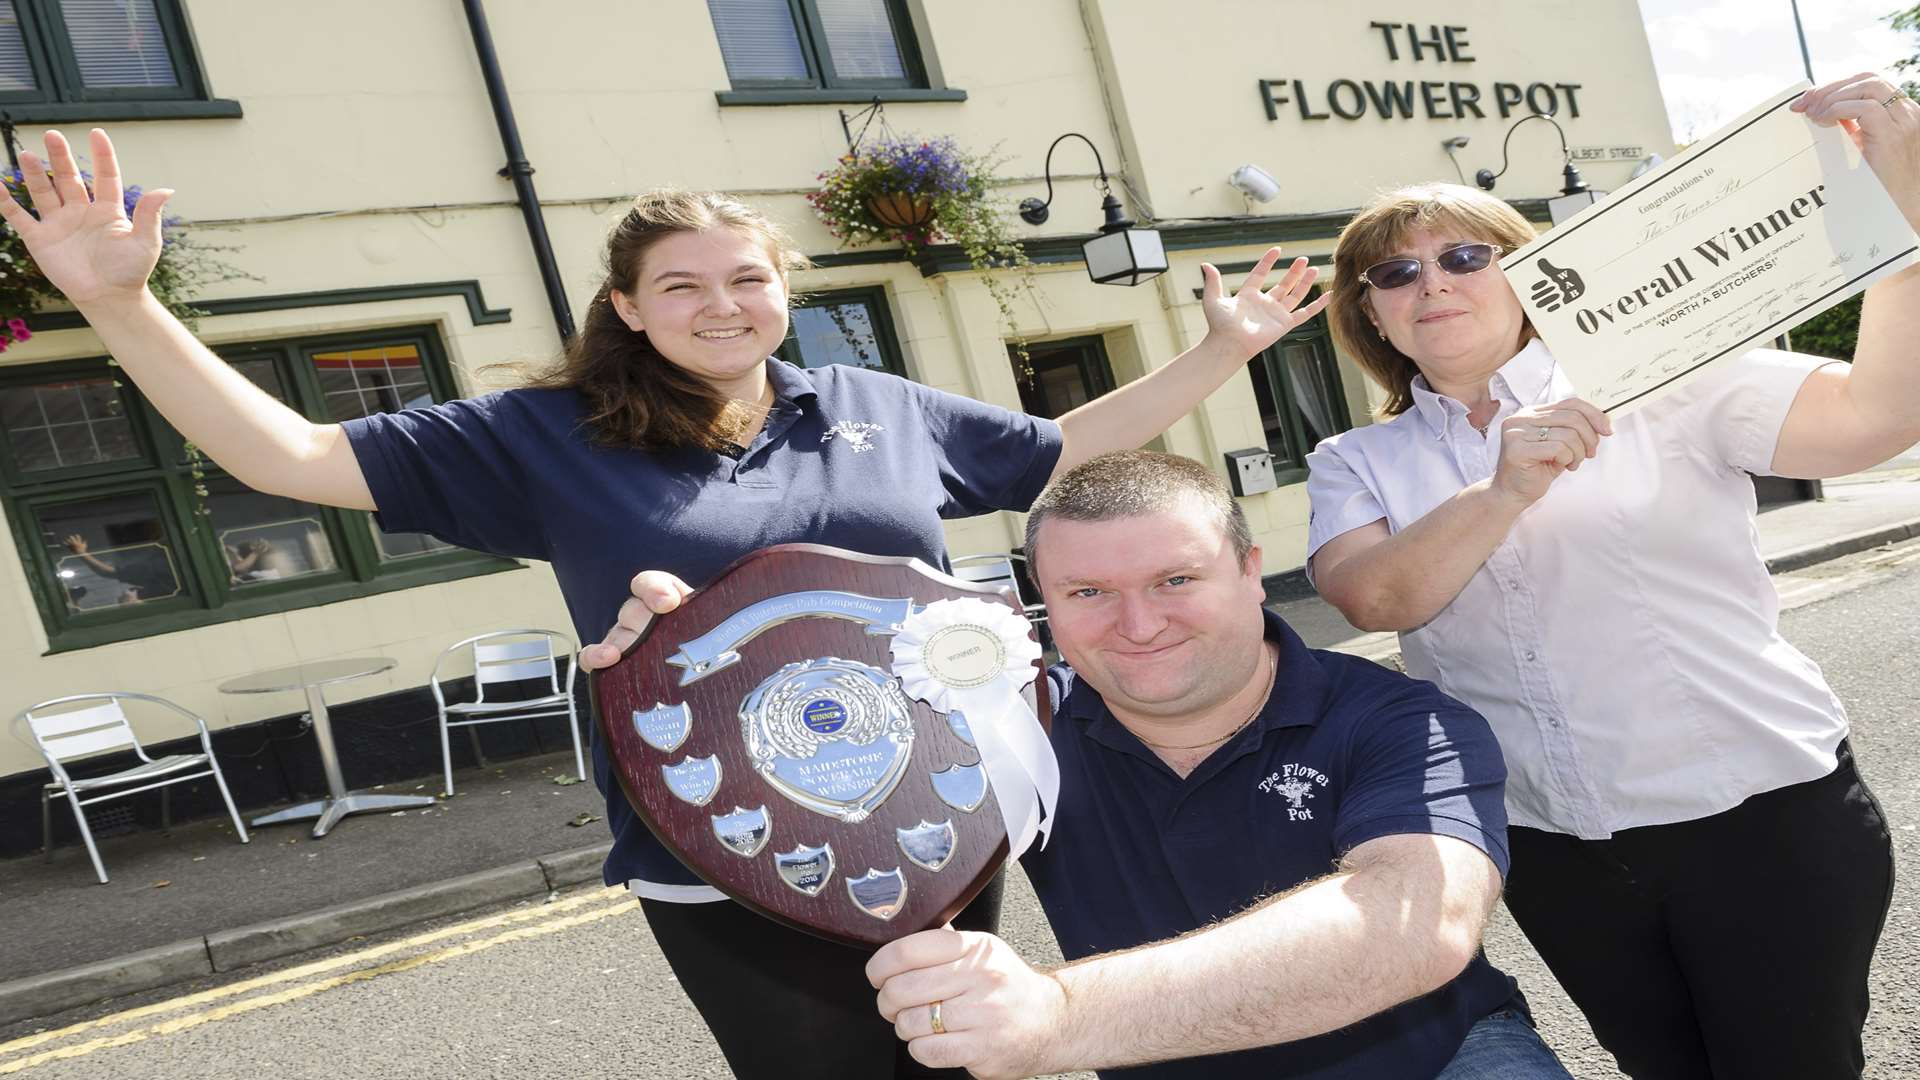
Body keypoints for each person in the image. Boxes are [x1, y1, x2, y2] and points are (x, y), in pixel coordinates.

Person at [0, 128, 1328, 1079]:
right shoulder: (546, 433)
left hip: (930, 822)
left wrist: (1221, 353)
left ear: (784, 291)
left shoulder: (875, 406)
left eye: (746, 278)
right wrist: (121, 309)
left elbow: (1068, 453)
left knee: (962, 1061)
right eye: (679, 286)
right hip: (722, 843)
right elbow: (290, 459)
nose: (720, 304)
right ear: (628, 311)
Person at [1302, 74, 1910, 1079]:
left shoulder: (1662, 378)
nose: (1429, 284)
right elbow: (1374, 597)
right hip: (1554, 847)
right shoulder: (1356, 463)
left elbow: (1880, 417)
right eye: (1392, 274)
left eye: (1462, 256)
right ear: (1368, 314)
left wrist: (1905, 236)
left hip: (1758, 817)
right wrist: (1502, 490)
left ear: (1527, 274)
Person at [868, 451, 1570, 1080]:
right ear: (1041, 600)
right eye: (1088, 592)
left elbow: (1413, 924)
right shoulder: (1009, 735)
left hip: (1434, 1058)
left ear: (1251, 571)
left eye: (1175, 580)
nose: (1139, 625)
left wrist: (1057, 1015)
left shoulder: (1401, 719)